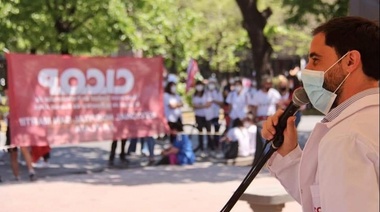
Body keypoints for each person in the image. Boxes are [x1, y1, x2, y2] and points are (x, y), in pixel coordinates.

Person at [261, 16, 379, 211]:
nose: (307, 69)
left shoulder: (348, 138)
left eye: (315, 60)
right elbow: (323, 200)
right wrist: (288, 155)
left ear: (350, 61)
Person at [191, 80, 212, 154]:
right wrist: (203, 106)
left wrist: (199, 106)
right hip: (198, 116)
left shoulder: (207, 94)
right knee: (200, 132)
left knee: (209, 132)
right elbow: (194, 106)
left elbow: (208, 104)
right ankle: (201, 147)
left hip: (207, 116)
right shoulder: (194, 95)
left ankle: (210, 146)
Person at [205, 77, 224, 154]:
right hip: (208, 115)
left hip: (216, 114)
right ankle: (210, 146)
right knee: (208, 131)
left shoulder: (218, 92)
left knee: (216, 131)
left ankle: (217, 145)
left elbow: (221, 103)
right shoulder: (205, 92)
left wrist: (214, 101)